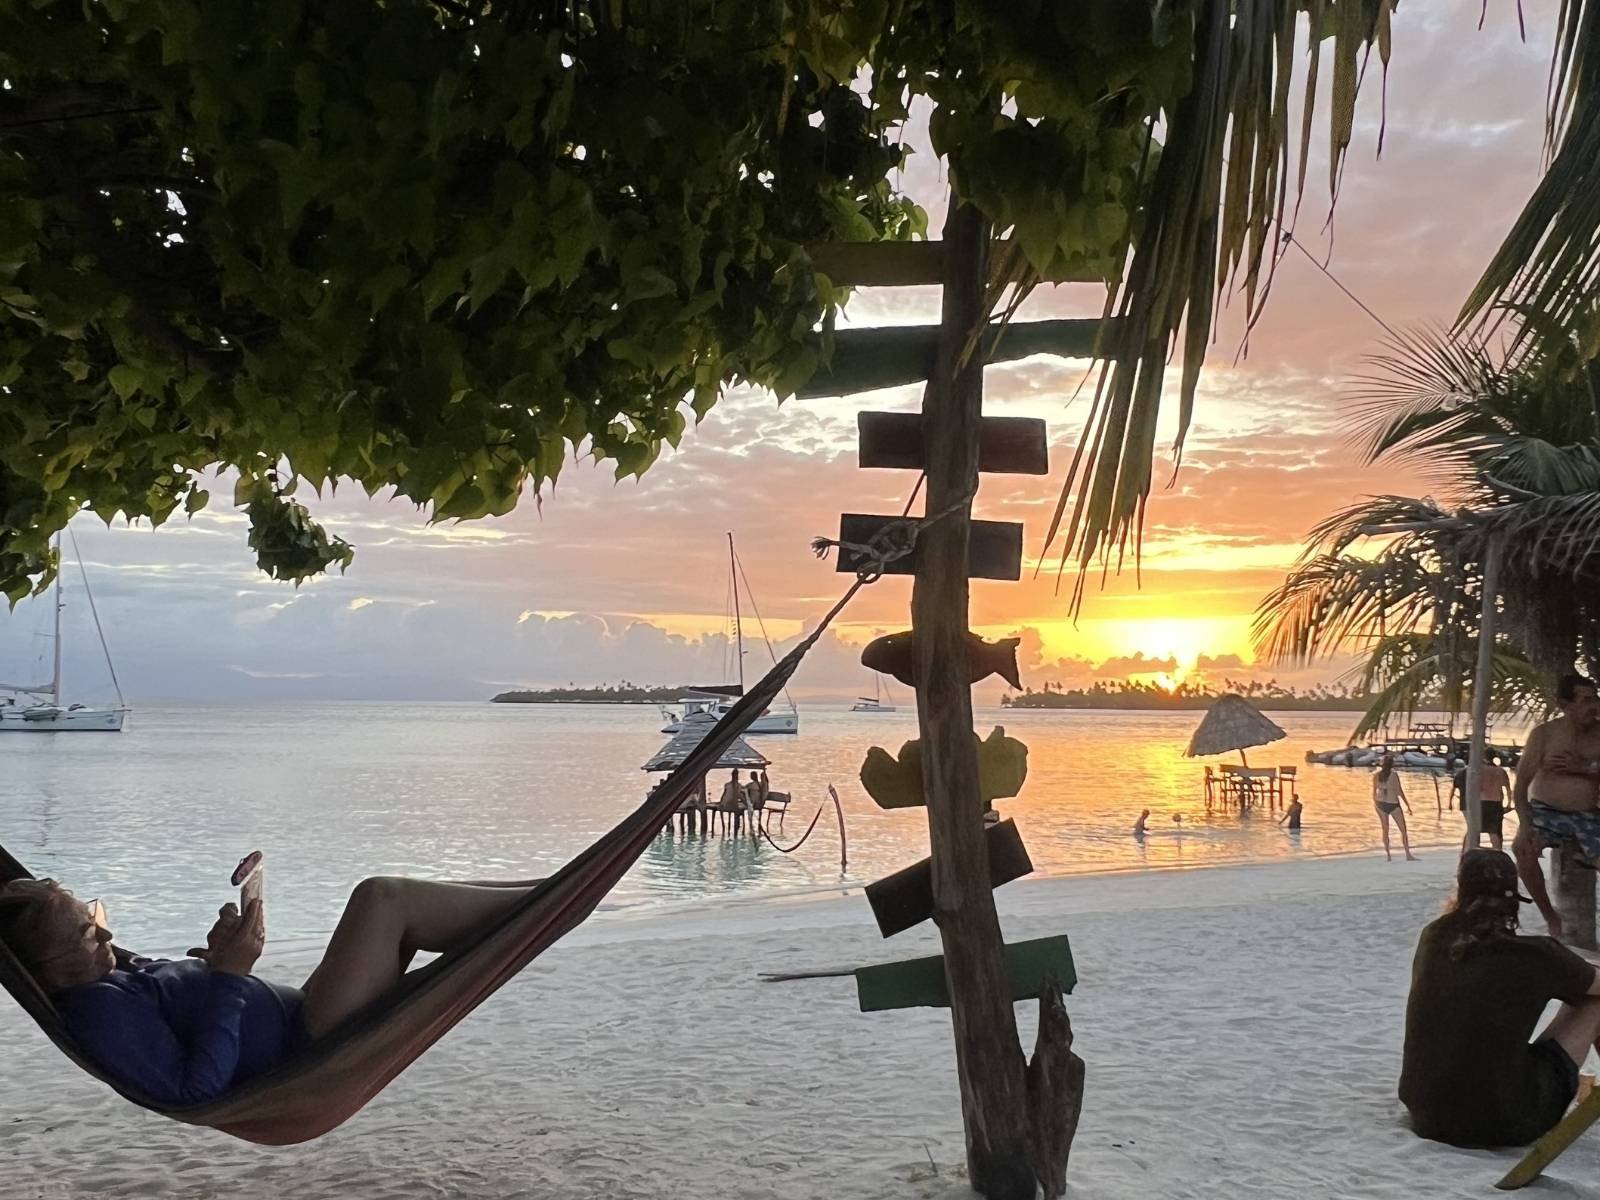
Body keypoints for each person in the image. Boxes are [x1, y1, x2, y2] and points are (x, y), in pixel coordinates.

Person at [0, 872, 542, 1107]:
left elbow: (180, 1001)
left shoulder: (109, 973)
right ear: (46, 966)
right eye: (88, 933)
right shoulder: (98, 1011)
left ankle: (557, 889)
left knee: (402, 902)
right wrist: (232, 977)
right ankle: (555, 895)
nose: (108, 934)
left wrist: (216, 959)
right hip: (313, 1048)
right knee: (382, 899)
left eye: (95, 916)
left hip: (305, 1017)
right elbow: (195, 1088)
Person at [1400, 850, 1600, 1148]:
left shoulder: (1433, 937)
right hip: (1504, 1120)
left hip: (1427, 1113)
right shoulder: (1536, 955)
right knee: (1595, 1001)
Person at [1513, 673, 1600, 940]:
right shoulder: (1545, 735)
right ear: (1566, 704)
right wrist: (1525, 825)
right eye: (1586, 700)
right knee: (1523, 850)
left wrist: (1585, 768)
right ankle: (1551, 918)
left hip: (1588, 815)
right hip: (1546, 811)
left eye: (1595, 698)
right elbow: (1520, 784)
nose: (1594, 706)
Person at [1461, 755, 1513, 853]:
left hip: (1483, 802)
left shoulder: (1480, 771)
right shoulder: (1501, 771)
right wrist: (1509, 804)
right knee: (1494, 831)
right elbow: (1508, 789)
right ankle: (1498, 851)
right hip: (1496, 803)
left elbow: (1475, 788)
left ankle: (1466, 851)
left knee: (1474, 829)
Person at [1373, 753, 1417, 862]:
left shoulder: (1376, 775)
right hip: (1392, 803)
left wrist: (1376, 804)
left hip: (1379, 803)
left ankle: (1388, 855)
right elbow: (1399, 791)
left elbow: (1374, 792)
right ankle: (1407, 854)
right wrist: (1407, 805)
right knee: (1403, 830)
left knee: (1385, 829)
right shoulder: (1394, 775)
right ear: (1391, 764)